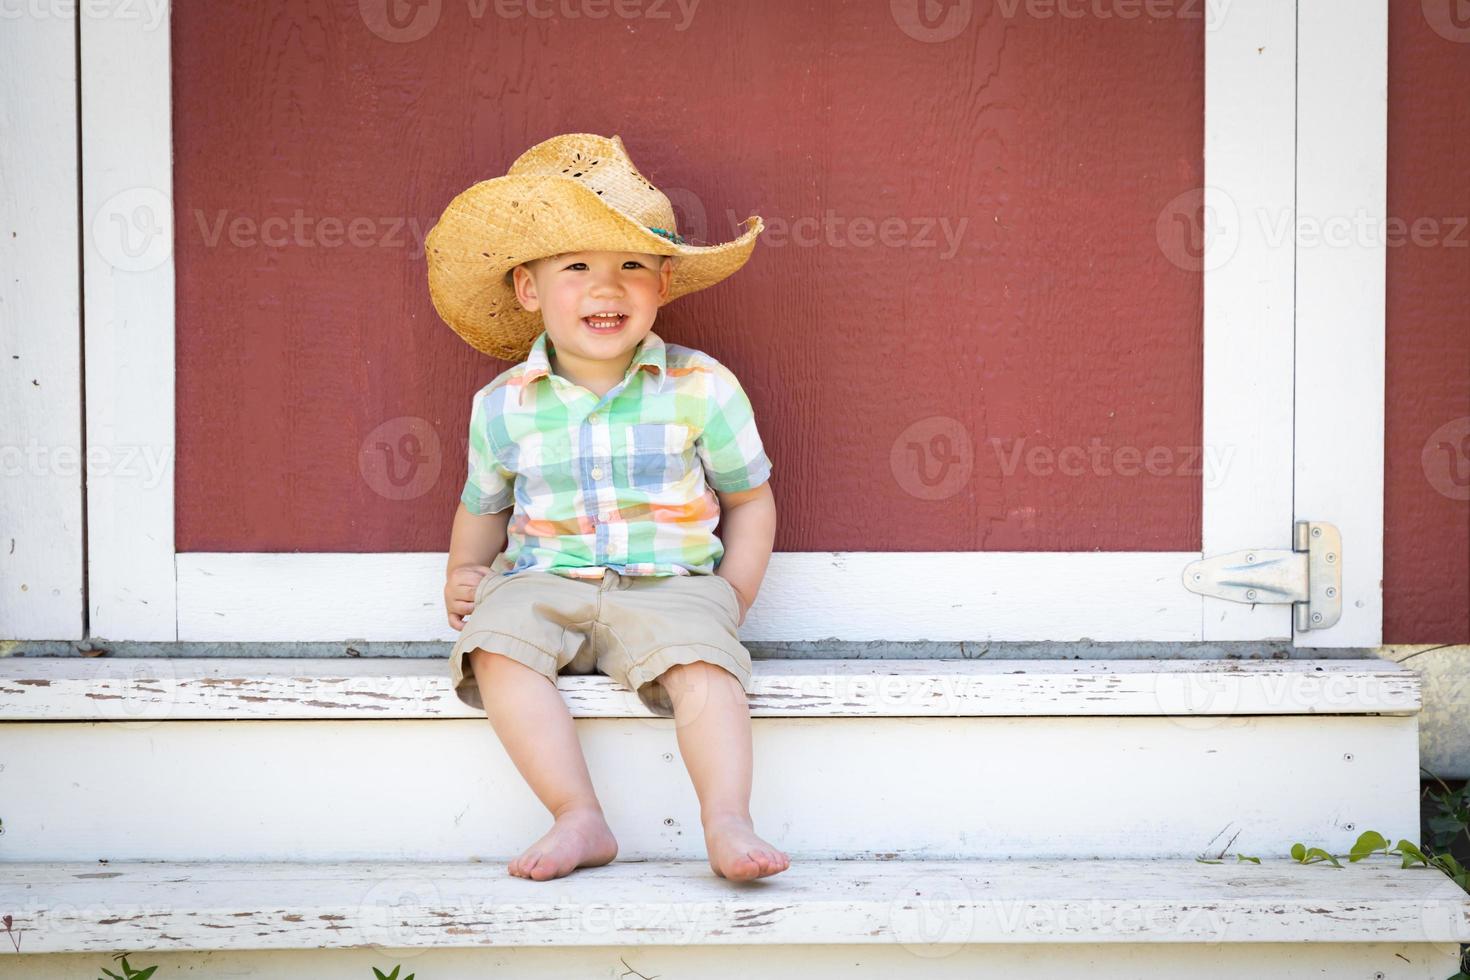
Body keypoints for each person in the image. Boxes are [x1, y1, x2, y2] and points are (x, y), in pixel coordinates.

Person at [425, 133, 787, 883]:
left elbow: (750, 500)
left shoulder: (701, 388)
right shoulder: (502, 405)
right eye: (578, 266)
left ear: (661, 286)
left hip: (669, 585)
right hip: (544, 580)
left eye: (632, 266)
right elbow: (484, 505)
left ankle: (727, 820)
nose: (608, 286)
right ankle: (576, 815)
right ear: (528, 289)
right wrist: (465, 568)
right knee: (495, 647)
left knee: (707, 673)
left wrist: (733, 595)